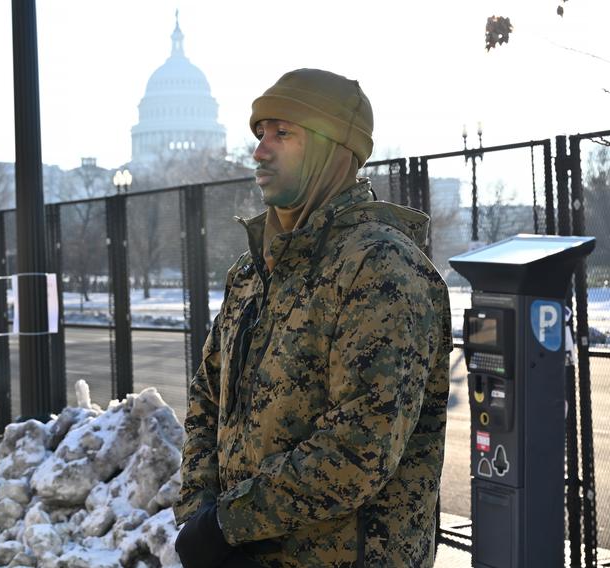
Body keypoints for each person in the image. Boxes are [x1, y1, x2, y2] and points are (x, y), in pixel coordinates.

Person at [173, 68, 453, 567]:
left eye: (284, 133)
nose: (260, 150)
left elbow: (358, 448)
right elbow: (206, 400)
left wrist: (227, 525)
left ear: (333, 151)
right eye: (260, 134)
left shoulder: (380, 267)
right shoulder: (253, 270)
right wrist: (199, 518)